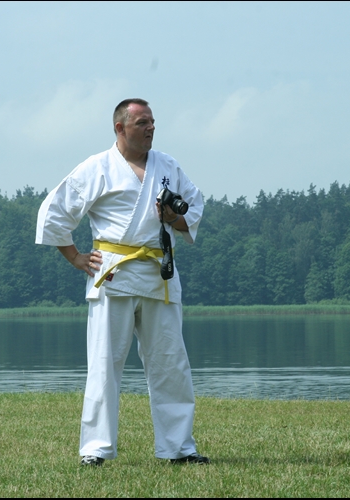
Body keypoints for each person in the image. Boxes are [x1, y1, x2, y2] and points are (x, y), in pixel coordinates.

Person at [35, 98, 209, 466]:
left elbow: (193, 210)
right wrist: (75, 257)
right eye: (142, 122)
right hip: (113, 273)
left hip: (159, 273)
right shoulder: (97, 168)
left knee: (171, 364)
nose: (151, 128)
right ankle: (96, 449)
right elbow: (54, 212)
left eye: (152, 122)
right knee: (104, 364)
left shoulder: (168, 166)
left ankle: (179, 448)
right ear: (120, 127)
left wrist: (172, 218)